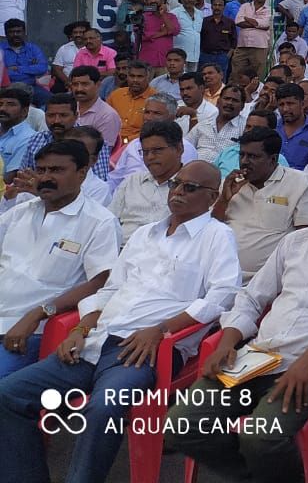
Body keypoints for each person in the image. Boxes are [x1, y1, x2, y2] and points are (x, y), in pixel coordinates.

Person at [0, 160, 239, 483]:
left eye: (190, 187)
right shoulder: (145, 234)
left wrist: (162, 329)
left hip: (142, 351)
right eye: (176, 184)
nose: (179, 192)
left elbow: (221, 296)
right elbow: (110, 288)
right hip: (96, 340)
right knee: (9, 394)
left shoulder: (217, 236)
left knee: (101, 409)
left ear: (212, 197)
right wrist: (80, 329)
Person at [166, 161, 308, 482]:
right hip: (257, 356)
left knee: (261, 437)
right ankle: (255, 476)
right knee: (179, 425)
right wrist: (228, 340)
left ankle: (266, 469)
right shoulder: (294, 243)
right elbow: (251, 297)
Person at [0, 140, 118, 379]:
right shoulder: (21, 212)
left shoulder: (99, 221)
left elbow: (100, 282)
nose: (45, 177)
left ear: (82, 173)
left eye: (56, 170)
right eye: (41, 170)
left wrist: (39, 313)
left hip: (33, 330)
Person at [212, 126, 308, 279]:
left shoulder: (300, 183)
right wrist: (224, 200)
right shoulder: (231, 183)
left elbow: (307, 239)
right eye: (242, 155)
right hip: (220, 274)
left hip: (267, 281)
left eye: (253, 156)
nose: (244, 162)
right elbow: (211, 228)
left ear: (273, 159)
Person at [109, 119, 194, 241]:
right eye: (145, 152)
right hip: (123, 250)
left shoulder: (192, 187)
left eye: (157, 150)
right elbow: (111, 220)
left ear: (179, 149)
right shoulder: (132, 182)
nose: (150, 157)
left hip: (165, 254)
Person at [20, 92, 112, 179]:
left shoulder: (92, 142)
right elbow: (24, 175)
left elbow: (99, 180)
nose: (56, 121)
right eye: (51, 115)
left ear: (76, 116)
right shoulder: (36, 140)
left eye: (63, 115)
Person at [105, 60, 155, 145]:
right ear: (127, 77)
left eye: (140, 77)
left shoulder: (155, 99)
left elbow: (153, 130)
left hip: (138, 143)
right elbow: (104, 119)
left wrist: (125, 141)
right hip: (111, 141)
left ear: (147, 77)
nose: (135, 80)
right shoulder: (116, 94)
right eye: (132, 76)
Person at [1, 20, 49, 108]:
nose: (15, 34)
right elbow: (2, 73)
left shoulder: (33, 48)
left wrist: (18, 68)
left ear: (24, 33)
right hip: (6, 88)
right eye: (11, 32)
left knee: (50, 100)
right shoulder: (1, 50)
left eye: (18, 31)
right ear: (6, 34)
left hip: (30, 86)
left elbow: (42, 68)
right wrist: (31, 68)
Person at [233, 0, 275, 81]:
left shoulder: (269, 10)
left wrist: (247, 19)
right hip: (242, 46)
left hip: (260, 47)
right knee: (236, 74)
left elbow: (265, 25)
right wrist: (257, 24)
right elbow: (238, 21)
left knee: (258, 76)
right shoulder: (245, 6)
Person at [0, 85, 36, 178]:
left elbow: (10, 178)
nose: (2, 109)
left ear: (24, 111)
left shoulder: (29, 138)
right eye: (0, 104)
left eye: (10, 104)